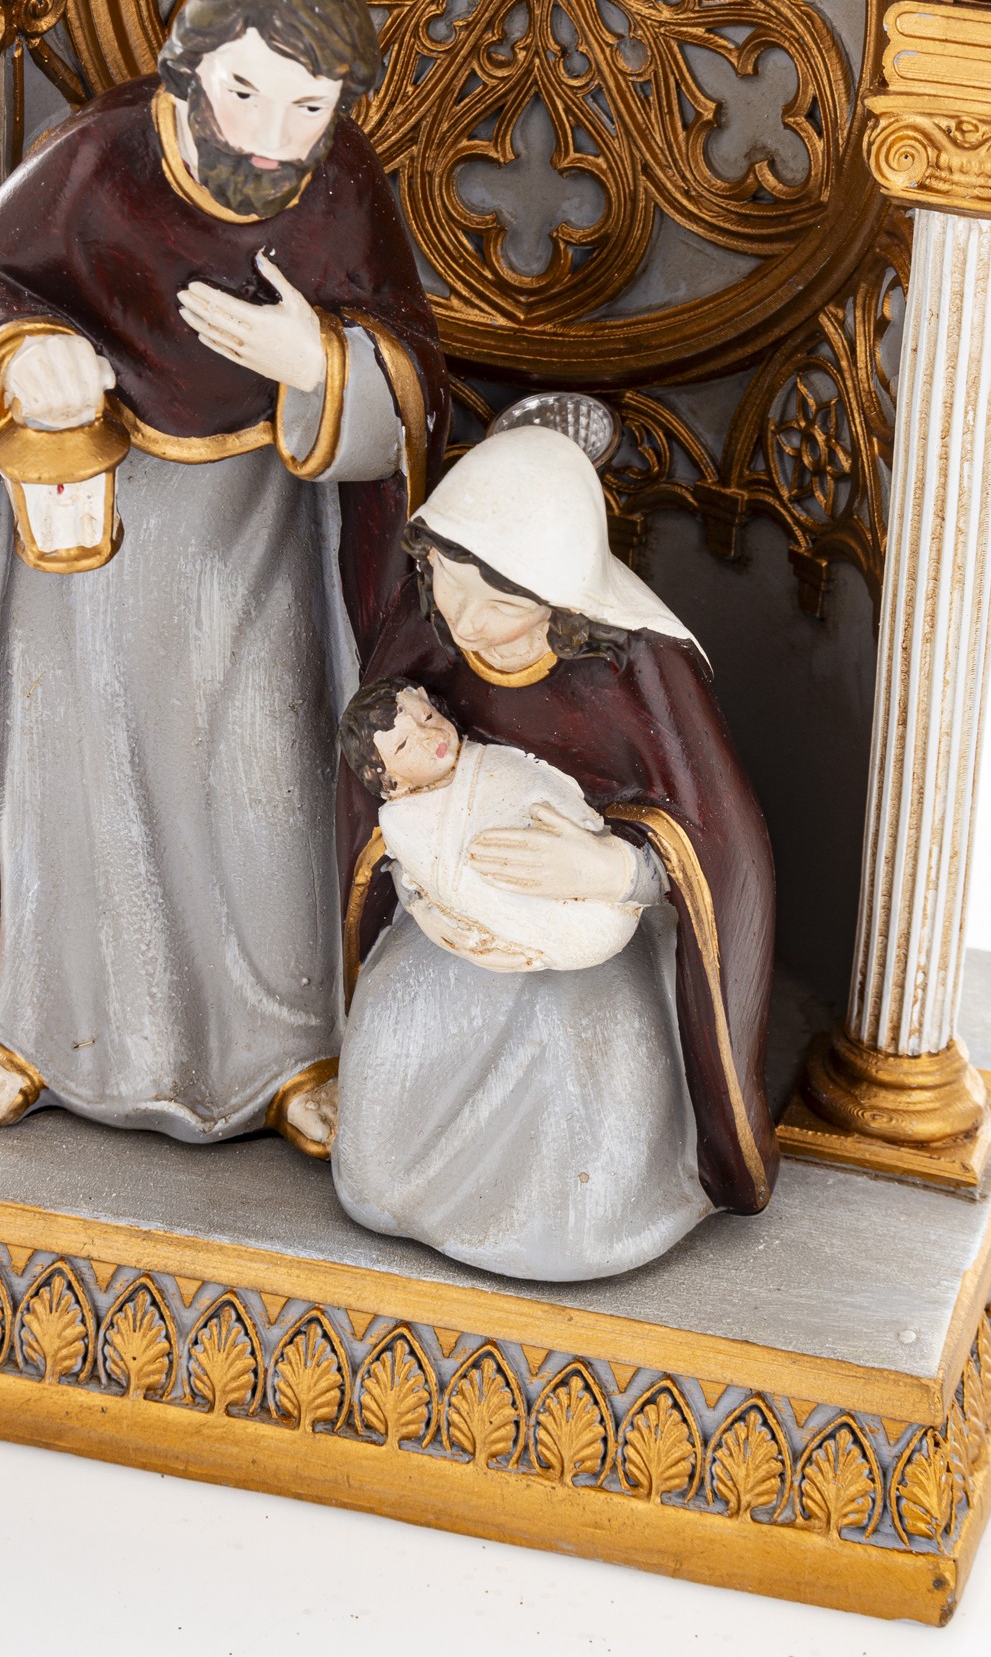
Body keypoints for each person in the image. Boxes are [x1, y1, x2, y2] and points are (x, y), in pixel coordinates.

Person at [0, 0, 448, 1149]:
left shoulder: (342, 186)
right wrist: (26, 347)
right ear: (190, 66)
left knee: (265, 782)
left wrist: (320, 361)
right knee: (78, 781)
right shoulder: (100, 158)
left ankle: (289, 1048)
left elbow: (413, 376)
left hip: (261, 538)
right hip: (93, 546)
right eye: (245, 92)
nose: (271, 138)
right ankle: (45, 1028)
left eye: (308, 106)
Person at [332, 425, 777, 1280]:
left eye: (499, 603)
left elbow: (718, 838)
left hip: (604, 920)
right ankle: (399, 1192)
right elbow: (374, 793)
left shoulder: (639, 666)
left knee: (573, 1037)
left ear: (558, 592)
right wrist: (427, 890)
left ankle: (557, 1228)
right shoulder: (428, 634)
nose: (465, 622)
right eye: (448, 583)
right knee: (405, 1014)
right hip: (463, 907)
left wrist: (616, 868)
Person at [339, 677, 651, 973]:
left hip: (606, 895)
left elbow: (542, 791)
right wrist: (427, 913)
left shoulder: (493, 761)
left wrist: (611, 869)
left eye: (429, 717)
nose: (430, 737)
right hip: (534, 936)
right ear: (390, 782)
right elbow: (429, 879)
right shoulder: (402, 821)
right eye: (405, 745)